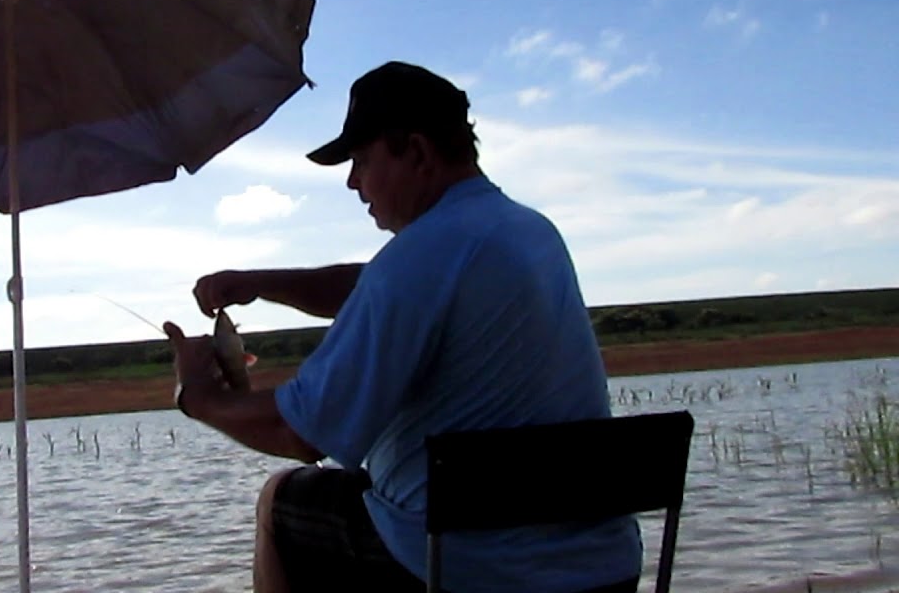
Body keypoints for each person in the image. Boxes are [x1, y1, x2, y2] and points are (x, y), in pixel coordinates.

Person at [162, 61, 642, 593]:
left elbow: (298, 434)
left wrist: (199, 397)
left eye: (362, 160)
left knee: (282, 502)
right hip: (603, 569)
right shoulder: (525, 231)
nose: (351, 181)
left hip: (468, 570)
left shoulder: (418, 258)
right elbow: (376, 286)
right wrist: (263, 282)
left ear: (415, 152)